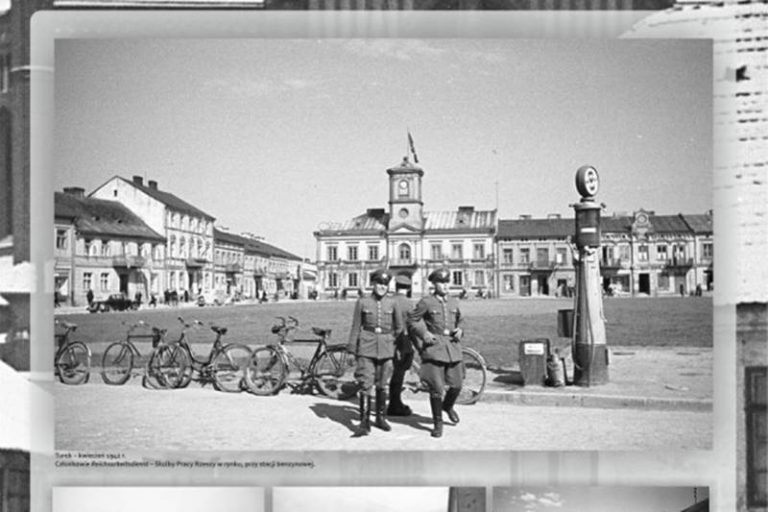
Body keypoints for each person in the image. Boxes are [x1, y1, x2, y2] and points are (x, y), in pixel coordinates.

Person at [407, 267, 464, 438]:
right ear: (434, 284)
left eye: (447, 282)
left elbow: (460, 320)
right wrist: (423, 333)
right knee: (436, 389)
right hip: (434, 348)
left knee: (457, 385)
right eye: (441, 282)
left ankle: (447, 406)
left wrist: (461, 330)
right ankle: (437, 423)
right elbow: (412, 320)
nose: (445, 286)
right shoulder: (426, 302)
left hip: (452, 348)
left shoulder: (454, 302)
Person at [346, 268, 403, 436]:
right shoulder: (363, 302)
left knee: (382, 384)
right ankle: (364, 422)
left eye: (385, 284)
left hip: (386, 347)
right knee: (365, 383)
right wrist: (351, 350)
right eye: (379, 284)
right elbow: (356, 326)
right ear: (373, 284)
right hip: (366, 346)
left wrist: (393, 342)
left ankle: (380, 417)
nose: (382, 287)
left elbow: (399, 327)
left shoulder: (393, 303)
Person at [387, 274, 415, 417]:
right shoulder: (408, 303)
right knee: (398, 374)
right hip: (403, 342)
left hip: (387, 342)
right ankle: (394, 404)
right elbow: (413, 325)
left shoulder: (388, 300)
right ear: (408, 288)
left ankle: (393, 402)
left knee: (390, 375)